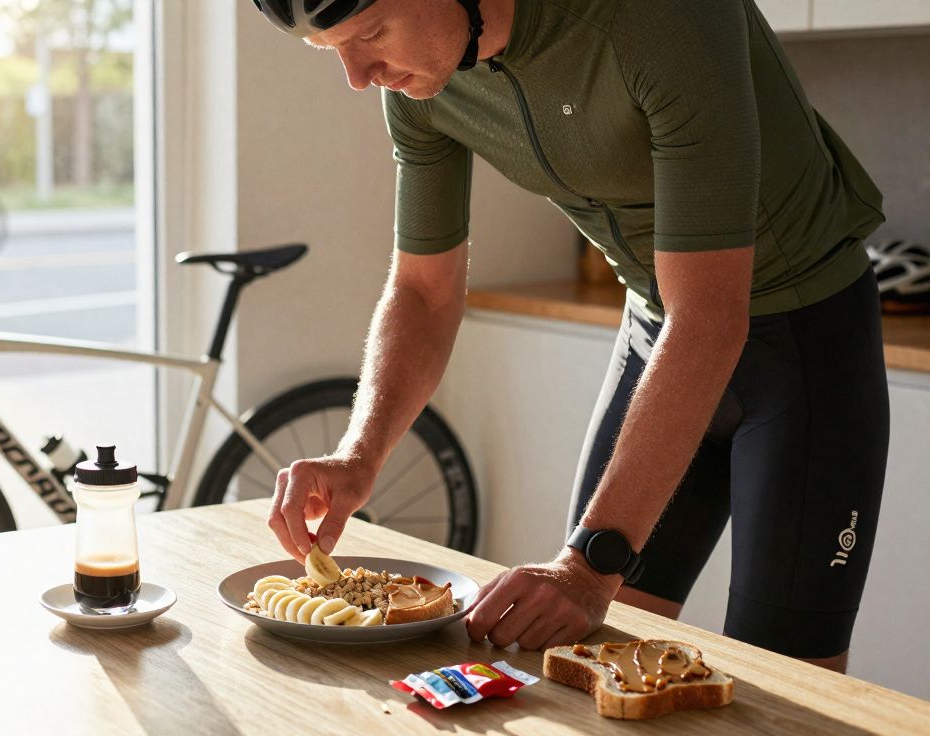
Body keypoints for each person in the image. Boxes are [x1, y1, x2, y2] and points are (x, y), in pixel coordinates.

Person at [254, 0, 888, 673]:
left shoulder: (663, 18)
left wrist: (589, 568)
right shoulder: (421, 83)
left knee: (792, 690)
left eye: (372, 35)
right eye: (334, 50)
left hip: (805, 350)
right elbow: (423, 289)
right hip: (657, 335)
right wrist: (360, 457)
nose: (358, 75)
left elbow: (708, 318)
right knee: (595, 664)